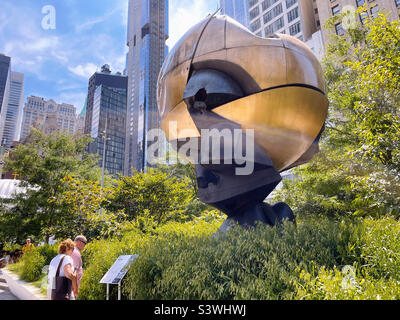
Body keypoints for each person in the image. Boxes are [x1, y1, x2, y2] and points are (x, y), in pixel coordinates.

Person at [70, 235, 87, 299]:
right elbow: (74, 272)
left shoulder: (73, 250)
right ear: (79, 242)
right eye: (85, 243)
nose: (85, 245)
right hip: (71, 287)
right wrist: (75, 289)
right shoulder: (76, 253)